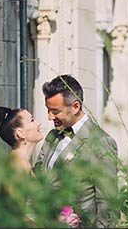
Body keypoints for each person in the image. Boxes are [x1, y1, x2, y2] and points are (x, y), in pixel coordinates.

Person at [34, 74, 119, 228]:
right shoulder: (52, 136)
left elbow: (108, 204)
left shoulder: (101, 143)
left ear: (75, 107)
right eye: (48, 110)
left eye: (55, 111)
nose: (49, 117)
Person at [0, 106, 44, 174]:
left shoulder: (16, 161)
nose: (38, 124)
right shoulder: (20, 166)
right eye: (32, 120)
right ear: (20, 133)